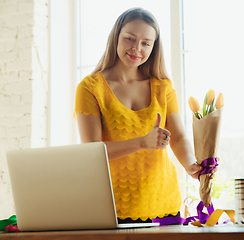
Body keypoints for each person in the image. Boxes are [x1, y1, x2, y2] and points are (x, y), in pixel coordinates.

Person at [74, 7, 218, 223]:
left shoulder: (163, 87)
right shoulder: (90, 88)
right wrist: (142, 142)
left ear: (154, 47)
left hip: (164, 205)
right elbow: (92, 150)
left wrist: (190, 164)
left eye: (145, 43)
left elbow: (178, 137)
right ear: (116, 37)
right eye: (129, 38)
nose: (136, 48)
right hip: (111, 208)